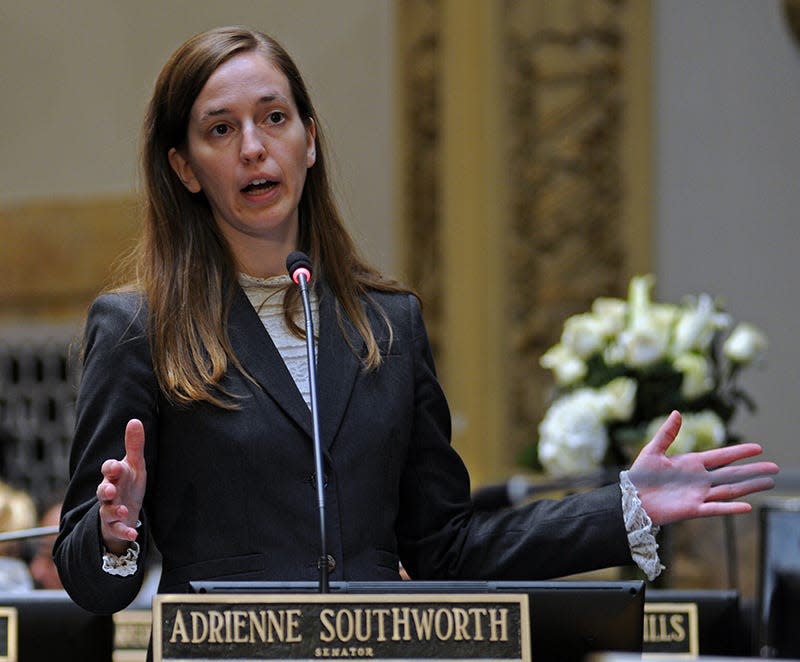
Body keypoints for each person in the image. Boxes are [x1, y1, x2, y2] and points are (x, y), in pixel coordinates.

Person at [53, 26, 779, 617]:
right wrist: (115, 535)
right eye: (221, 128)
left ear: (309, 139)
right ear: (184, 167)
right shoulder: (139, 327)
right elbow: (90, 580)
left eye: (274, 118)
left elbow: (445, 550)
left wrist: (625, 508)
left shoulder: (387, 324)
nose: (253, 146)